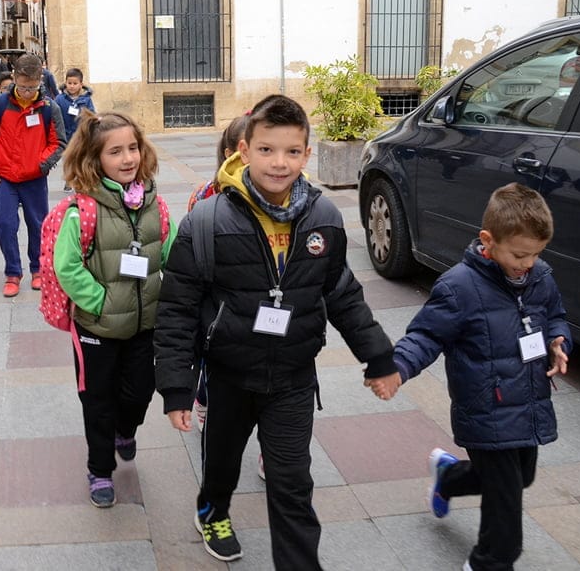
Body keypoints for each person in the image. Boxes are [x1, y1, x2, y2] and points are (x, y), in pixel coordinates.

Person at [153, 94, 397, 565]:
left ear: (307, 155)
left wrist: (378, 355)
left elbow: (341, 291)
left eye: (291, 152)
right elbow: (178, 309)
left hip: (293, 378)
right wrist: (177, 387)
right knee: (220, 466)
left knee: (292, 483)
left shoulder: (323, 218)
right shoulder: (206, 222)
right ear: (243, 151)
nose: (279, 163)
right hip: (228, 376)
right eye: (266, 150)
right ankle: (212, 511)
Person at [367, 182, 571, 571]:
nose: (527, 263)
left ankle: (448, 476)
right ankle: (488, 562)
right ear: (487, 240)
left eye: (535, 255)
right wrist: (398, 369)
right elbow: (426, 335)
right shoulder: (460, 288)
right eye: (519, 254)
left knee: (520, 478)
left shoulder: (540, 276)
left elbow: (555, 315)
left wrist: (560, 339)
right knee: (506, 504)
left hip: (527, 403)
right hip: (485, 409)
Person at [55, 110, 176, 507]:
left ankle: (127, 429)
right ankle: (100, 470)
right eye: (115, 152)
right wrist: (102, 302)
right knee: (98, 402)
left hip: (145, 324)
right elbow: (67, 266)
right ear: (94, 160)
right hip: (96, 328)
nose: (128, 158)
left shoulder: (156, 206)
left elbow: (172, 254)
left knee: (140, 392)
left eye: (133, 148)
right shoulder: (83, 211)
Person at [185, 112, 252, 441]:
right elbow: (190, 250)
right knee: (212, 363)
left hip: (256, 302)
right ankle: (205, 399)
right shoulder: (204, 196)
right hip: (214, 300)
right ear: (232, 153)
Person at [0, 53, 66, 297]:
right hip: (5, 178)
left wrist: (41, 165)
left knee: (38, 226)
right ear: (14, 78)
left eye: (32, 87)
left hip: (34, 179)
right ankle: (12, 273)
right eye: (23, 87)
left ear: (41, 80)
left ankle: (38, 269)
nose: (27, 93)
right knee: (5, 224)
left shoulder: (49, 108)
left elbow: (58, 142)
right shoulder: (0, 104)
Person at [54, 68, 97, 192]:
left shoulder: (86, 99)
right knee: (68, 159)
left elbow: (91, 114)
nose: (72, 86)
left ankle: (82, 179)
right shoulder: (60, 99)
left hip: (80, 134)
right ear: (66, 83)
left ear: (81, 84)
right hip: (65, 135)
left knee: (81, 158)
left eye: (75, 83)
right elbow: (55, 115)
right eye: (69, 83)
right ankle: (69, 179)